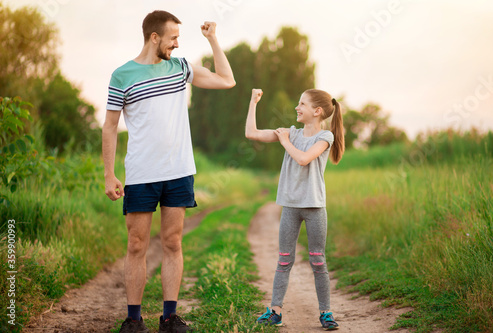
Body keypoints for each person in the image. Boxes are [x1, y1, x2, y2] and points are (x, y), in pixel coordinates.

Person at [103, 10, 235, 333]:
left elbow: (226, 80)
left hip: (178, 171)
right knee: (137, 244)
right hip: (140, 174)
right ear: (154, 37)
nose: (177, 43)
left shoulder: (181, 68)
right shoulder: (122, 75)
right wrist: (109, 173)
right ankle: (134, 320)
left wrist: (213, 39)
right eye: (173, 37)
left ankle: (170, 318)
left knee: (173, 242)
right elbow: (109, 126)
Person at [245, 88, 344, 330]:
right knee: (284, 260)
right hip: (290, 206)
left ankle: (326, 313)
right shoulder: (290, 133)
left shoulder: (326, 137)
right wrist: (253, 102)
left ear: (317, 111)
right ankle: (275, 311)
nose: (297, 108)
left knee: (318, 261)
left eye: (302, 104)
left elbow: (303, 158)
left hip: (314, 208)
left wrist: (285, 141)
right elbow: (251, 133)